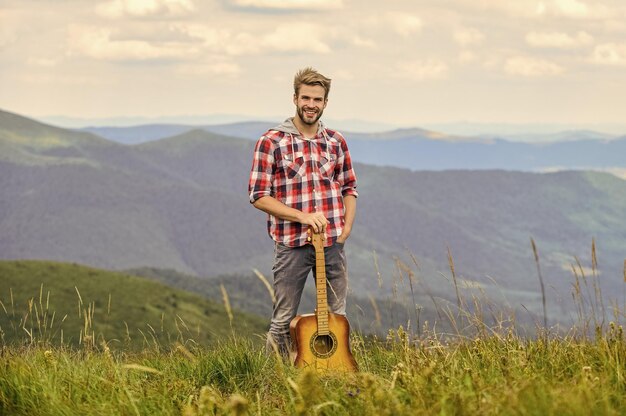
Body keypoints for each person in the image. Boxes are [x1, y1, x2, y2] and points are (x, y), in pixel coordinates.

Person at [248, 67, 358, 357]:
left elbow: (349, 186)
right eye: (306, 98)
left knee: (338, 317)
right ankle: (274, 381)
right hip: (291, 245)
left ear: (325, 103)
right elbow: (258, 196)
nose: (311, 104)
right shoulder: (271, 141)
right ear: (295, 98)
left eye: (318, 99)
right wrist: (302, 217)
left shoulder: (335, 141)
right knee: (283, 320)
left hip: (333, 244)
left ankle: (336, 376)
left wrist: (345, 229)